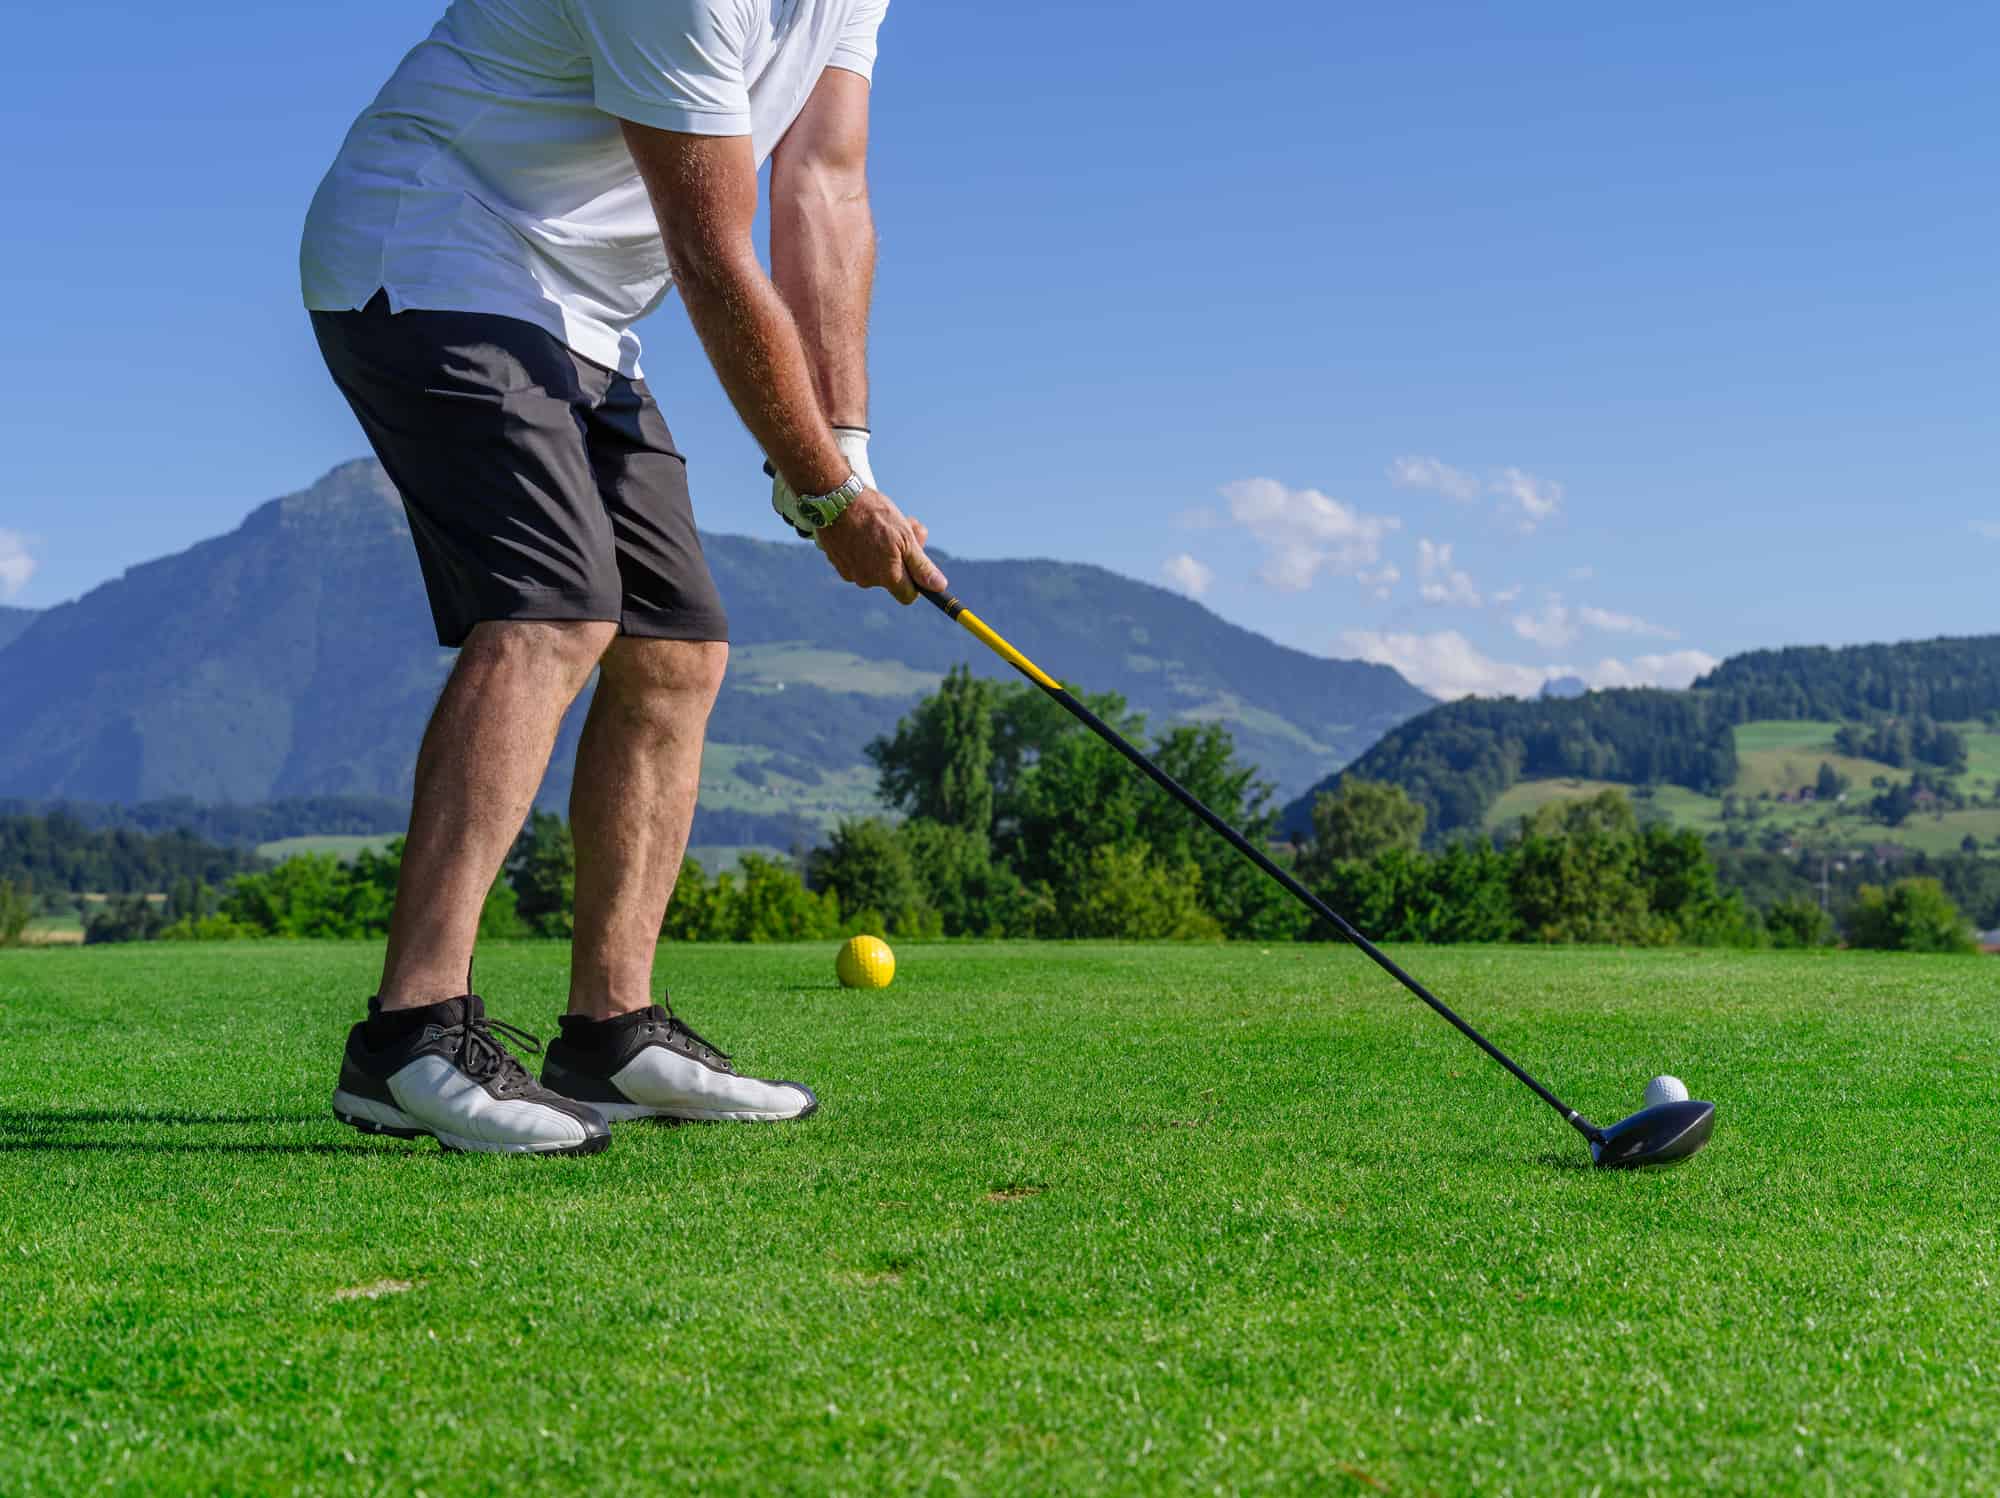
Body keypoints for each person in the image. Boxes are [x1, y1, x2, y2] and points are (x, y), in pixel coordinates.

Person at [301, 0, 944, 1155]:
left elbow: (825, 186)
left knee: (676, 650)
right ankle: (406, 1038)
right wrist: (821, 494)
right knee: (552, 610)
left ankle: (609, 1033)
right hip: (430, 248)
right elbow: (708, 244)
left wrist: (845, 453)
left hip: (577, 314)